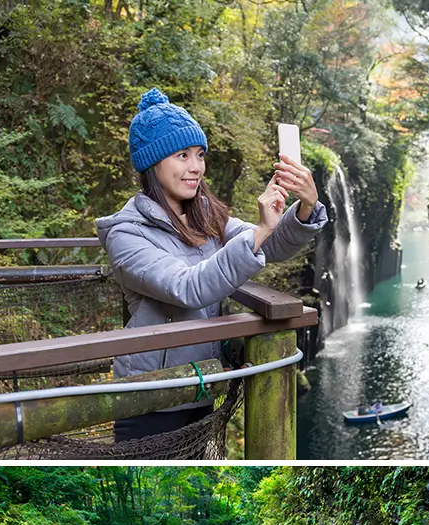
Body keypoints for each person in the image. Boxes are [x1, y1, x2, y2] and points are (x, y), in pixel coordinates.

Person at [96, 87, 328, 441]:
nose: (196, 167)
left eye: (200, 154)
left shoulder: (206, 216)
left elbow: (274, 244)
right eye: (182, 155)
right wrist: (262, 228)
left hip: (202, 382)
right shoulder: (125, 235)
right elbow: (187, 288)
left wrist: (306, 206)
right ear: (152, 162)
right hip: (149, 397)